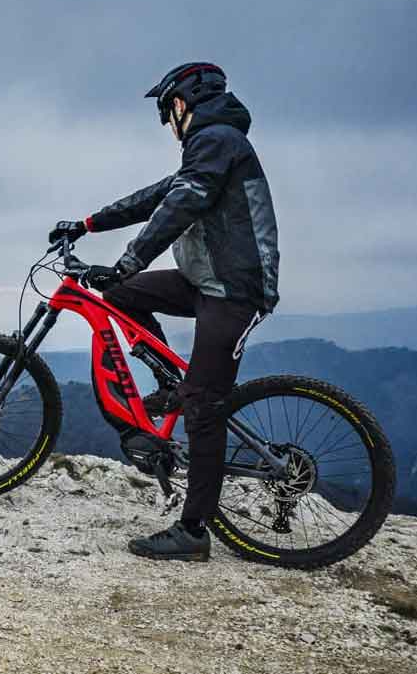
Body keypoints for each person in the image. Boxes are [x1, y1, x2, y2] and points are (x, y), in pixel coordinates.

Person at [48, 62, 279, 561]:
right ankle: (171, 383)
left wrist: (127, 260)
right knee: (123, 294)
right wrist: (87, 224)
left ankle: (193, 532)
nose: (166, 124)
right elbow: (157, 197)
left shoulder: (216, 139)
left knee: (203, 407)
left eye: (164, 113)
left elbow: (180, 206)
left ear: (179, 104)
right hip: (206, 281)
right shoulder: (213, 145)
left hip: (233, 292)